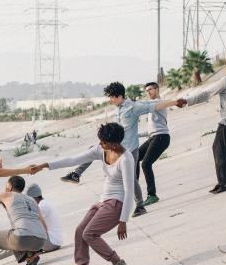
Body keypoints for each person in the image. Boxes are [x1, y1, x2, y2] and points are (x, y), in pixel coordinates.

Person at [34, 123, 135, 265]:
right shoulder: (101, 150)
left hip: (117, 203)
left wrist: (123, 220)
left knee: (90, 234)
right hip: (103, 201)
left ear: (115, 143)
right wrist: (45, 165)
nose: (100, 145)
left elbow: (129, 190)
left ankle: (119, 264)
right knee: (80, 231)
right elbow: (74, 159)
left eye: (104, 142)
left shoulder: (126, 159)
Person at [59, 82, 182, 217]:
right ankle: (77, 174)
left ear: (119, 96)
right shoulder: (117, 109)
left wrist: (175, 102)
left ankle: (140, 205)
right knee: (93, 150)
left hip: (130, 149)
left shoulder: (133, 108)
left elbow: (155, 105)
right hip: (116, 147)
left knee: (130, 178)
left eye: (111, 97)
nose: (110, 100)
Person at [177, 57, 226, 194]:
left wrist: (187, 101)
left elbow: (206, 94)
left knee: (218, 150)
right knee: (221, 150)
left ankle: (225, 183)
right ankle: (223, 181)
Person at [0, 176, 49, 265]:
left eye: (6, 185)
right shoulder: (32, 200)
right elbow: (45, 228)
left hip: (22, 238)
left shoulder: (6, 195)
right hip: (41, 241)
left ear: (9, 186)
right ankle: (30, 255)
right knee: (14, 233)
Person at [136, 82, 172, 206]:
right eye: (147, 91)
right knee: (134, 157)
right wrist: (136, 135)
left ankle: (152, 195)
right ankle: (136, 189)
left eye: (150, 89)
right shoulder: (152, 107)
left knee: (146, 163)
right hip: (153, 137)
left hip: (161, 137)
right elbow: (151, 130)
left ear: (157, 89)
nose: (148, 92)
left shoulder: (159, 103)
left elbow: (146, 105)